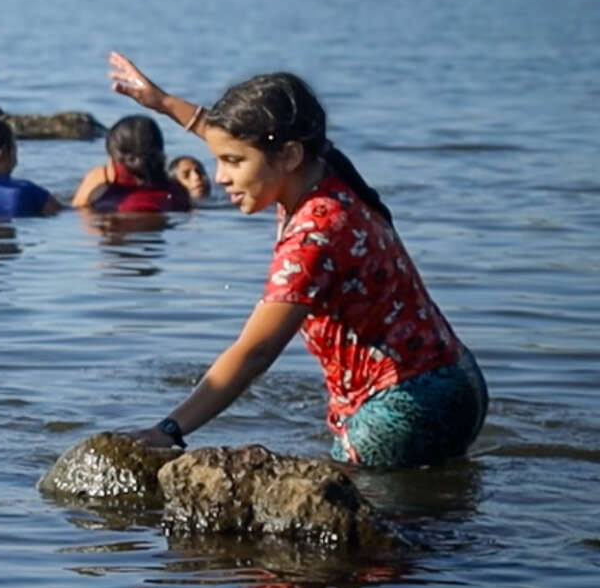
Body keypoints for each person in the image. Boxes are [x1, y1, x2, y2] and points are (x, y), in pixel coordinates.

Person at [109, 54, 483, 468]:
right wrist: (162, 102)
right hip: (456, 380)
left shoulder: (313, 236)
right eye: (219, 159)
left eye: (232, 162)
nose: (219, 177)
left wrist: (170, 429)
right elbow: (237, 139)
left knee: (361, 522)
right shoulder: (327, 170)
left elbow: (255, 352)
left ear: (288, 156)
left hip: (401, 408)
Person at [70, 114, 193, 213]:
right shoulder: (176, 191)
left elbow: (78, 209)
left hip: (115, 225)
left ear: (114, 156)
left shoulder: (100, 177)